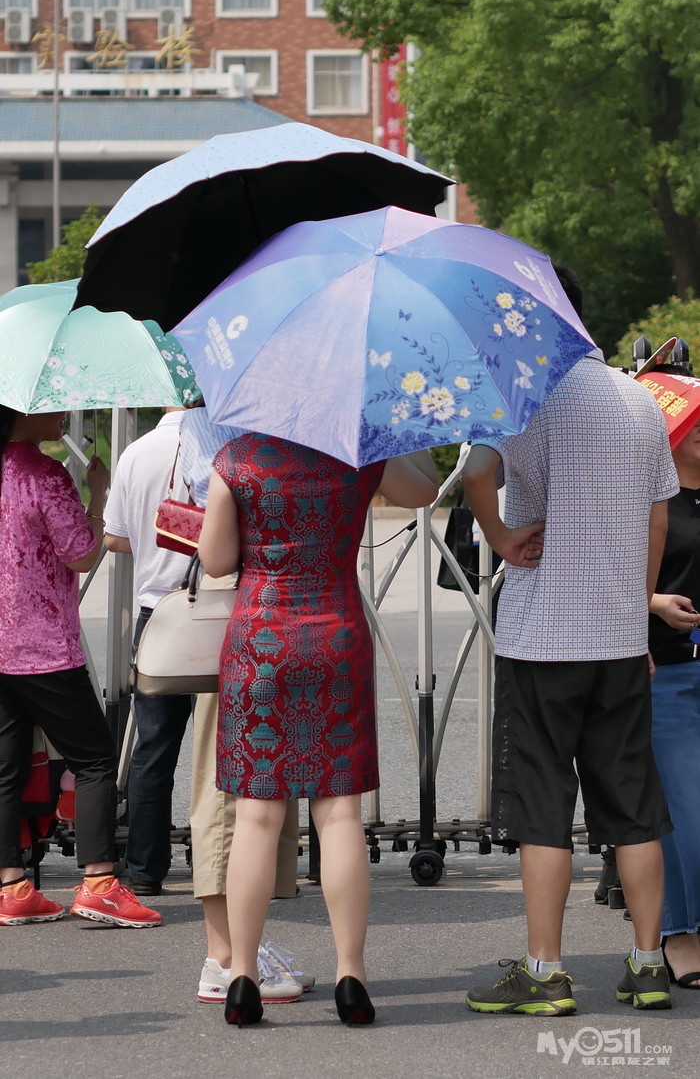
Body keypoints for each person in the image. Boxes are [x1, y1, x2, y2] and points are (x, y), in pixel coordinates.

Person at [461, 348, 679, 1015]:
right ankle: (647, 966)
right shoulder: (639, 399)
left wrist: (498, 536)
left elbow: (476, 472)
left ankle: (546, 972)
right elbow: (659, 515)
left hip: (544, 636)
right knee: (633, 805)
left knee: (543, 809)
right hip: (617, 637)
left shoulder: (520, 393)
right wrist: (637, 606)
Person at [198, 433, 438, 1026]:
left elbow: (217, 561)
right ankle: (350, 975)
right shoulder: (357, 447)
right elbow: (424, 491)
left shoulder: (237, 458)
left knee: (256, 815)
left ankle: (244, 977)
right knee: (339, 817)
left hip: (262, 639)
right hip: (336, 635)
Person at [0, 405, 161, 928]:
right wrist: (97, 493)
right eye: (53, 409)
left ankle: (12, 885)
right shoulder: (44, 474)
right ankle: (97, 882)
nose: (65, 416)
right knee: (93, 758)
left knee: (5, 768)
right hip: (43, 644)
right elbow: (82, 555)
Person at [179, 405, 311, 1006]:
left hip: (254, 614)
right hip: (234, 609)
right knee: (228, 794)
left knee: (254, 796)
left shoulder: (245, 429)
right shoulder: (215, 431)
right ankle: (224, 956)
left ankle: (239, 950)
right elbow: (216, 553)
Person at [104, 407, 194, 896]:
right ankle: (232, 864)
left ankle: (144, 870)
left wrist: (156, 538)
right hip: (218, 612)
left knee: (153, 750)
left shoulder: (134, 454)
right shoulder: (225, 448)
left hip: (156, 614)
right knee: (231, 746)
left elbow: (115, 538)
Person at [648, 413, 700, 988]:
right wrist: (656, 602)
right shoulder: (650, 499)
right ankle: (680, 930)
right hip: (668, 671)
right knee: (685, 812)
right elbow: (610, 579)